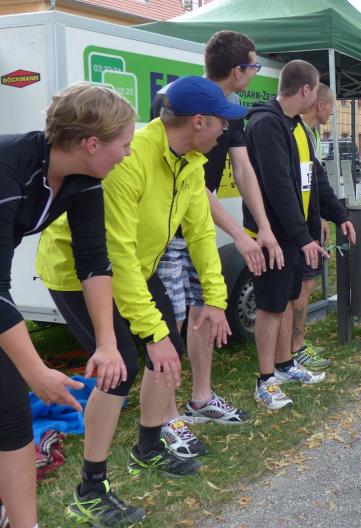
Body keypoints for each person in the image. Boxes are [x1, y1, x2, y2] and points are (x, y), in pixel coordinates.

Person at [37, 76, 245, 524]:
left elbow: (200, 232)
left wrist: (215, 298)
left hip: (137, 267)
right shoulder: (132, 158)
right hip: (80, 273)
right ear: (199, 121)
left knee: (167, 350)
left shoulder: (191, 161)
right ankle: (90, 489)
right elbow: (116, 253)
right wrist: (151, 332)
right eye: (222, 122)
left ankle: (148, 447)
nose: (226, 131)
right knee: (121, 367)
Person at [0, 83, 135, 528]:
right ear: (92, 143)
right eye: (124, 144)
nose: (128, 154)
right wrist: (36, 371)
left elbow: (93, 262)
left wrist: (107, 343)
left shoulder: (84, 179)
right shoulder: (9, 166)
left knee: (10, 413)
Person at [150, 31, 283, 458]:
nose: (254, 72)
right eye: (254, 66)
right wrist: (239, 234)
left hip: (199, 225)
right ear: (237, 69)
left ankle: (201, 398)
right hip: (171, 227)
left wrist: (263, 227)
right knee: (169, 317)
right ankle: (166, 415)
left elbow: (243, 171)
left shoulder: (232, 110)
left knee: (205, 304)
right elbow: (193, 184)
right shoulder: (178, 101)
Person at [245, 60, 356, 410]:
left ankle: (284, 365)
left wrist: (339, 215)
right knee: (270, 305)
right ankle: (265, 381)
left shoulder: (296, 126)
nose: (320, 98)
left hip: (293, 236)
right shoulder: (266, 124)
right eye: (316, 88)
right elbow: (278, 187)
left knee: (286, 301)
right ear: (305, 90)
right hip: (271, 236)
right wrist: (302, 236)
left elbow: (314, 179)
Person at [292, 84, 351, 371]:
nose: (333, 113)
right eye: (331, 107)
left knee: (307, 284)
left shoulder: (313, 133)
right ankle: (295, 348)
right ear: (320, 106)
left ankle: (297, 344)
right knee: (302, 286)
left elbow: (314, 184)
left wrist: (323, 218)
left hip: (310, 220)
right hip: (297, 227)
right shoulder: (298, 131)